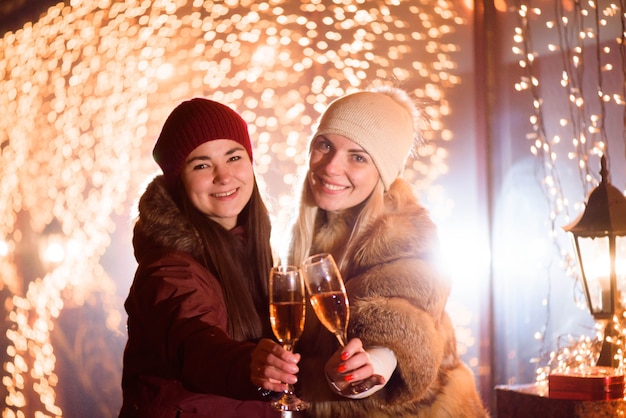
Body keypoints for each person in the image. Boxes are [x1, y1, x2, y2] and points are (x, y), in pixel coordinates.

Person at [285, 87, 488, 417]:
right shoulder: (303, 234)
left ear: (383, 172)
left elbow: (403, 328)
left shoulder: (406, 237)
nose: (331, 167)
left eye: (358, 157)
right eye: (325, 145)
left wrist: (373, 364)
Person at [119, 98, 299, 418]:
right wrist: (250, 366)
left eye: (234, 157)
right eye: (201, 165)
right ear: (179, 182)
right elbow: (196, 345)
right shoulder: (169, 268)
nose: (224, 176)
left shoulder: (255, 250)